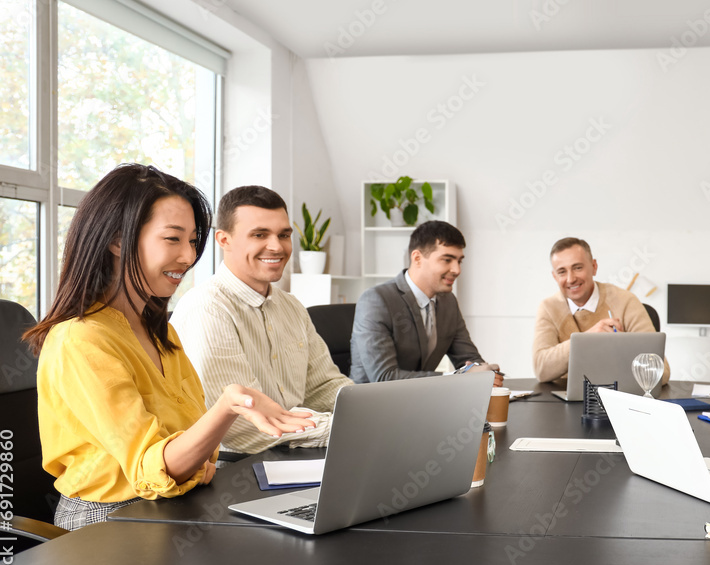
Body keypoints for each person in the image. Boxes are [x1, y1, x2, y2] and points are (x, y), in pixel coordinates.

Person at [23, 165, 314, 530]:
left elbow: (194, 456)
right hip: (106, 519)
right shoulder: (80, 339)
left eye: (192, 241)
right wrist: (229, 406)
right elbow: (154, 468)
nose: (189, 257)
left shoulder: (159, 331)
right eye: (173, 239)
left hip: (173, 502)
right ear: (117, 240)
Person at [171, 186, 351, 454]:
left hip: (297, 447)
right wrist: (347, 429)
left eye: (284, 235)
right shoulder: (207, 308)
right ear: (223, 240)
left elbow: (323, 386)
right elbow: (242, 427)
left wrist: (370, 412)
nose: (277, 246)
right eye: (259, 234)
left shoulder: (292, 307)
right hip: (236, 465)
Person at [350, 220, 501, 385]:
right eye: (447, 260)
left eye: (459, 261)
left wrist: (484, 373)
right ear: (417, 258)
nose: (457, 270)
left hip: (423, 402)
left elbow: (469, 360)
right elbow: (384, 377)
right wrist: (457, 378)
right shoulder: (376, 301)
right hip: (373, 404)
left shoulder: (448, 302)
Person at [533, 237, 669, 383]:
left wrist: (623, 348)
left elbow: (662, 372)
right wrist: (586, 340)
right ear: (554, 276)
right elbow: (541, 370)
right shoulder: (548, 308)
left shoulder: (626, 301)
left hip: (618, 395)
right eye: (562, 272)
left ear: (594, 267)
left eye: (578, 268)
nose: (570, 279)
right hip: (563, 399)